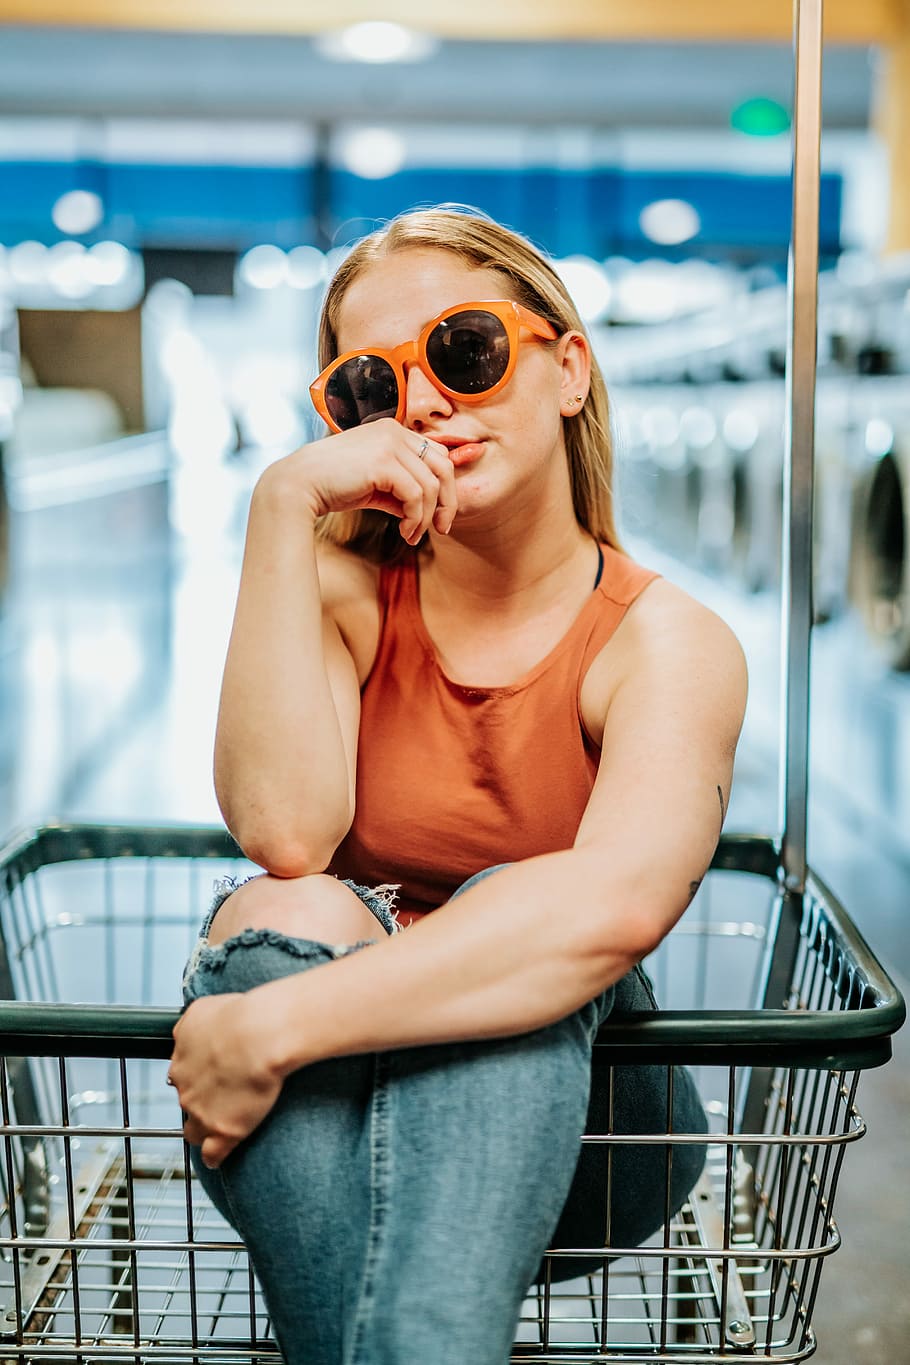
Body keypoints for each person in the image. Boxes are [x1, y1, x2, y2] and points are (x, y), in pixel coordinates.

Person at [169, 207, 748, 1365]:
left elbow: (611, 910)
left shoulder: (664, 645)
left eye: (465, 350)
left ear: (568, 366)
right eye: (369, 389)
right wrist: (281, 507)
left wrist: (268, 1028)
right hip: (330, 1124)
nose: (425, 403)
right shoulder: (341, 595)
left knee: (520, 910)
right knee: (288, 902)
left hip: (589, 1140)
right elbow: (288, 830)